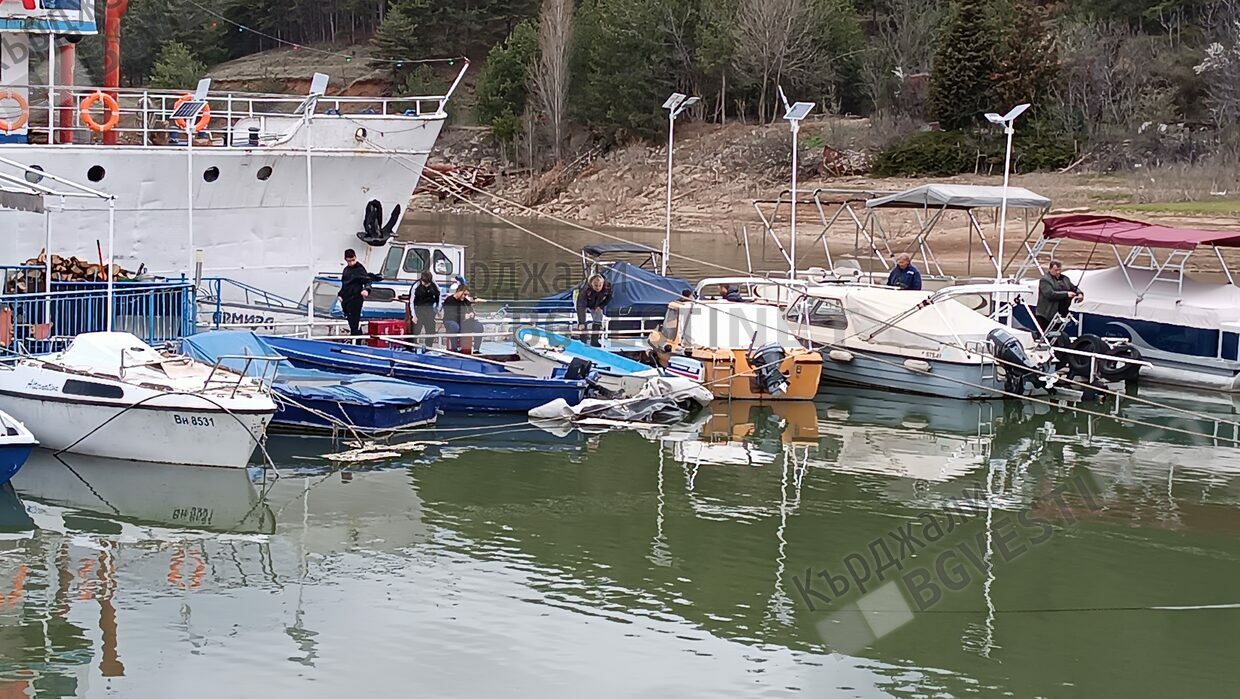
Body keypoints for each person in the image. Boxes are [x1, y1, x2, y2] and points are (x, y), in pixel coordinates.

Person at [1036, 259, 1084, 335]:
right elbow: (1050, 294)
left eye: (1059, 270)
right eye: (1056, 270)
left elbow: (1073, 288)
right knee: (1045, 334)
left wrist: (1080, 293)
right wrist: (1066, 294)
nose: (1058, 272)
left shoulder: (1065, 279)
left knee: (1058, 334)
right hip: (1047, 314)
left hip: (1061, 313)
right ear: (1050, 269)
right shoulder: (1045, 280)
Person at [338, 248, 374, 339]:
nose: (351, 263)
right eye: (349, 261)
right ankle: (355, 335)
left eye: (353, 260)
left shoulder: (360, 269)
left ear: (355, 258)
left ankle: (356, 337)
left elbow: (368, 280)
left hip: (356, 297)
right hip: (346, 298)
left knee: (354, 319)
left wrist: (366, 290)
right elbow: (344, 284)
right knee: (349, 319)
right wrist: (340, 295)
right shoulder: (346, 270)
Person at [442, 283, 482, 353]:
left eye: (466, 295)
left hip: (464, 321)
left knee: (479, 326)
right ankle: (455, 349)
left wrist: (472, 314)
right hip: (450, 320)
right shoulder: (449, 300)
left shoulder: (465, 301)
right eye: (464, 294)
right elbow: (450, 314)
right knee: (454, 327)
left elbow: (471, 310)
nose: (465, 296)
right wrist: (463, 316)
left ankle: (476, 349)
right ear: (459, 291)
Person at [575, 274, 612, 347]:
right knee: (582, 321)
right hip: (582, 300)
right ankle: (583, 341)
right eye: (596, 285)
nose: (598, 287)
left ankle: (594, 341)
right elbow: (581, 306)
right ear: (591, 284)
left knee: (598, 318)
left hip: (596, 301)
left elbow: (609, 297)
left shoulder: (607, 286)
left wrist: (601, 306)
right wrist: (581, 322)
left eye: (599, 285)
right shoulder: (585, 289)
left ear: (602, 283)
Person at [409, 271, 440, 346]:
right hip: (418, 309)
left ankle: (429, 346)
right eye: (424, 283)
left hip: (429, 310)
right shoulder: (416, 286)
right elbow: (411, 302)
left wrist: (437, 309)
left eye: (427, 283)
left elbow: (439, 297)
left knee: (431, 330)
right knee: (416, 329)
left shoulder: (434, 285)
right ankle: (413, 345)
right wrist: (413, 315)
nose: (426, 285)